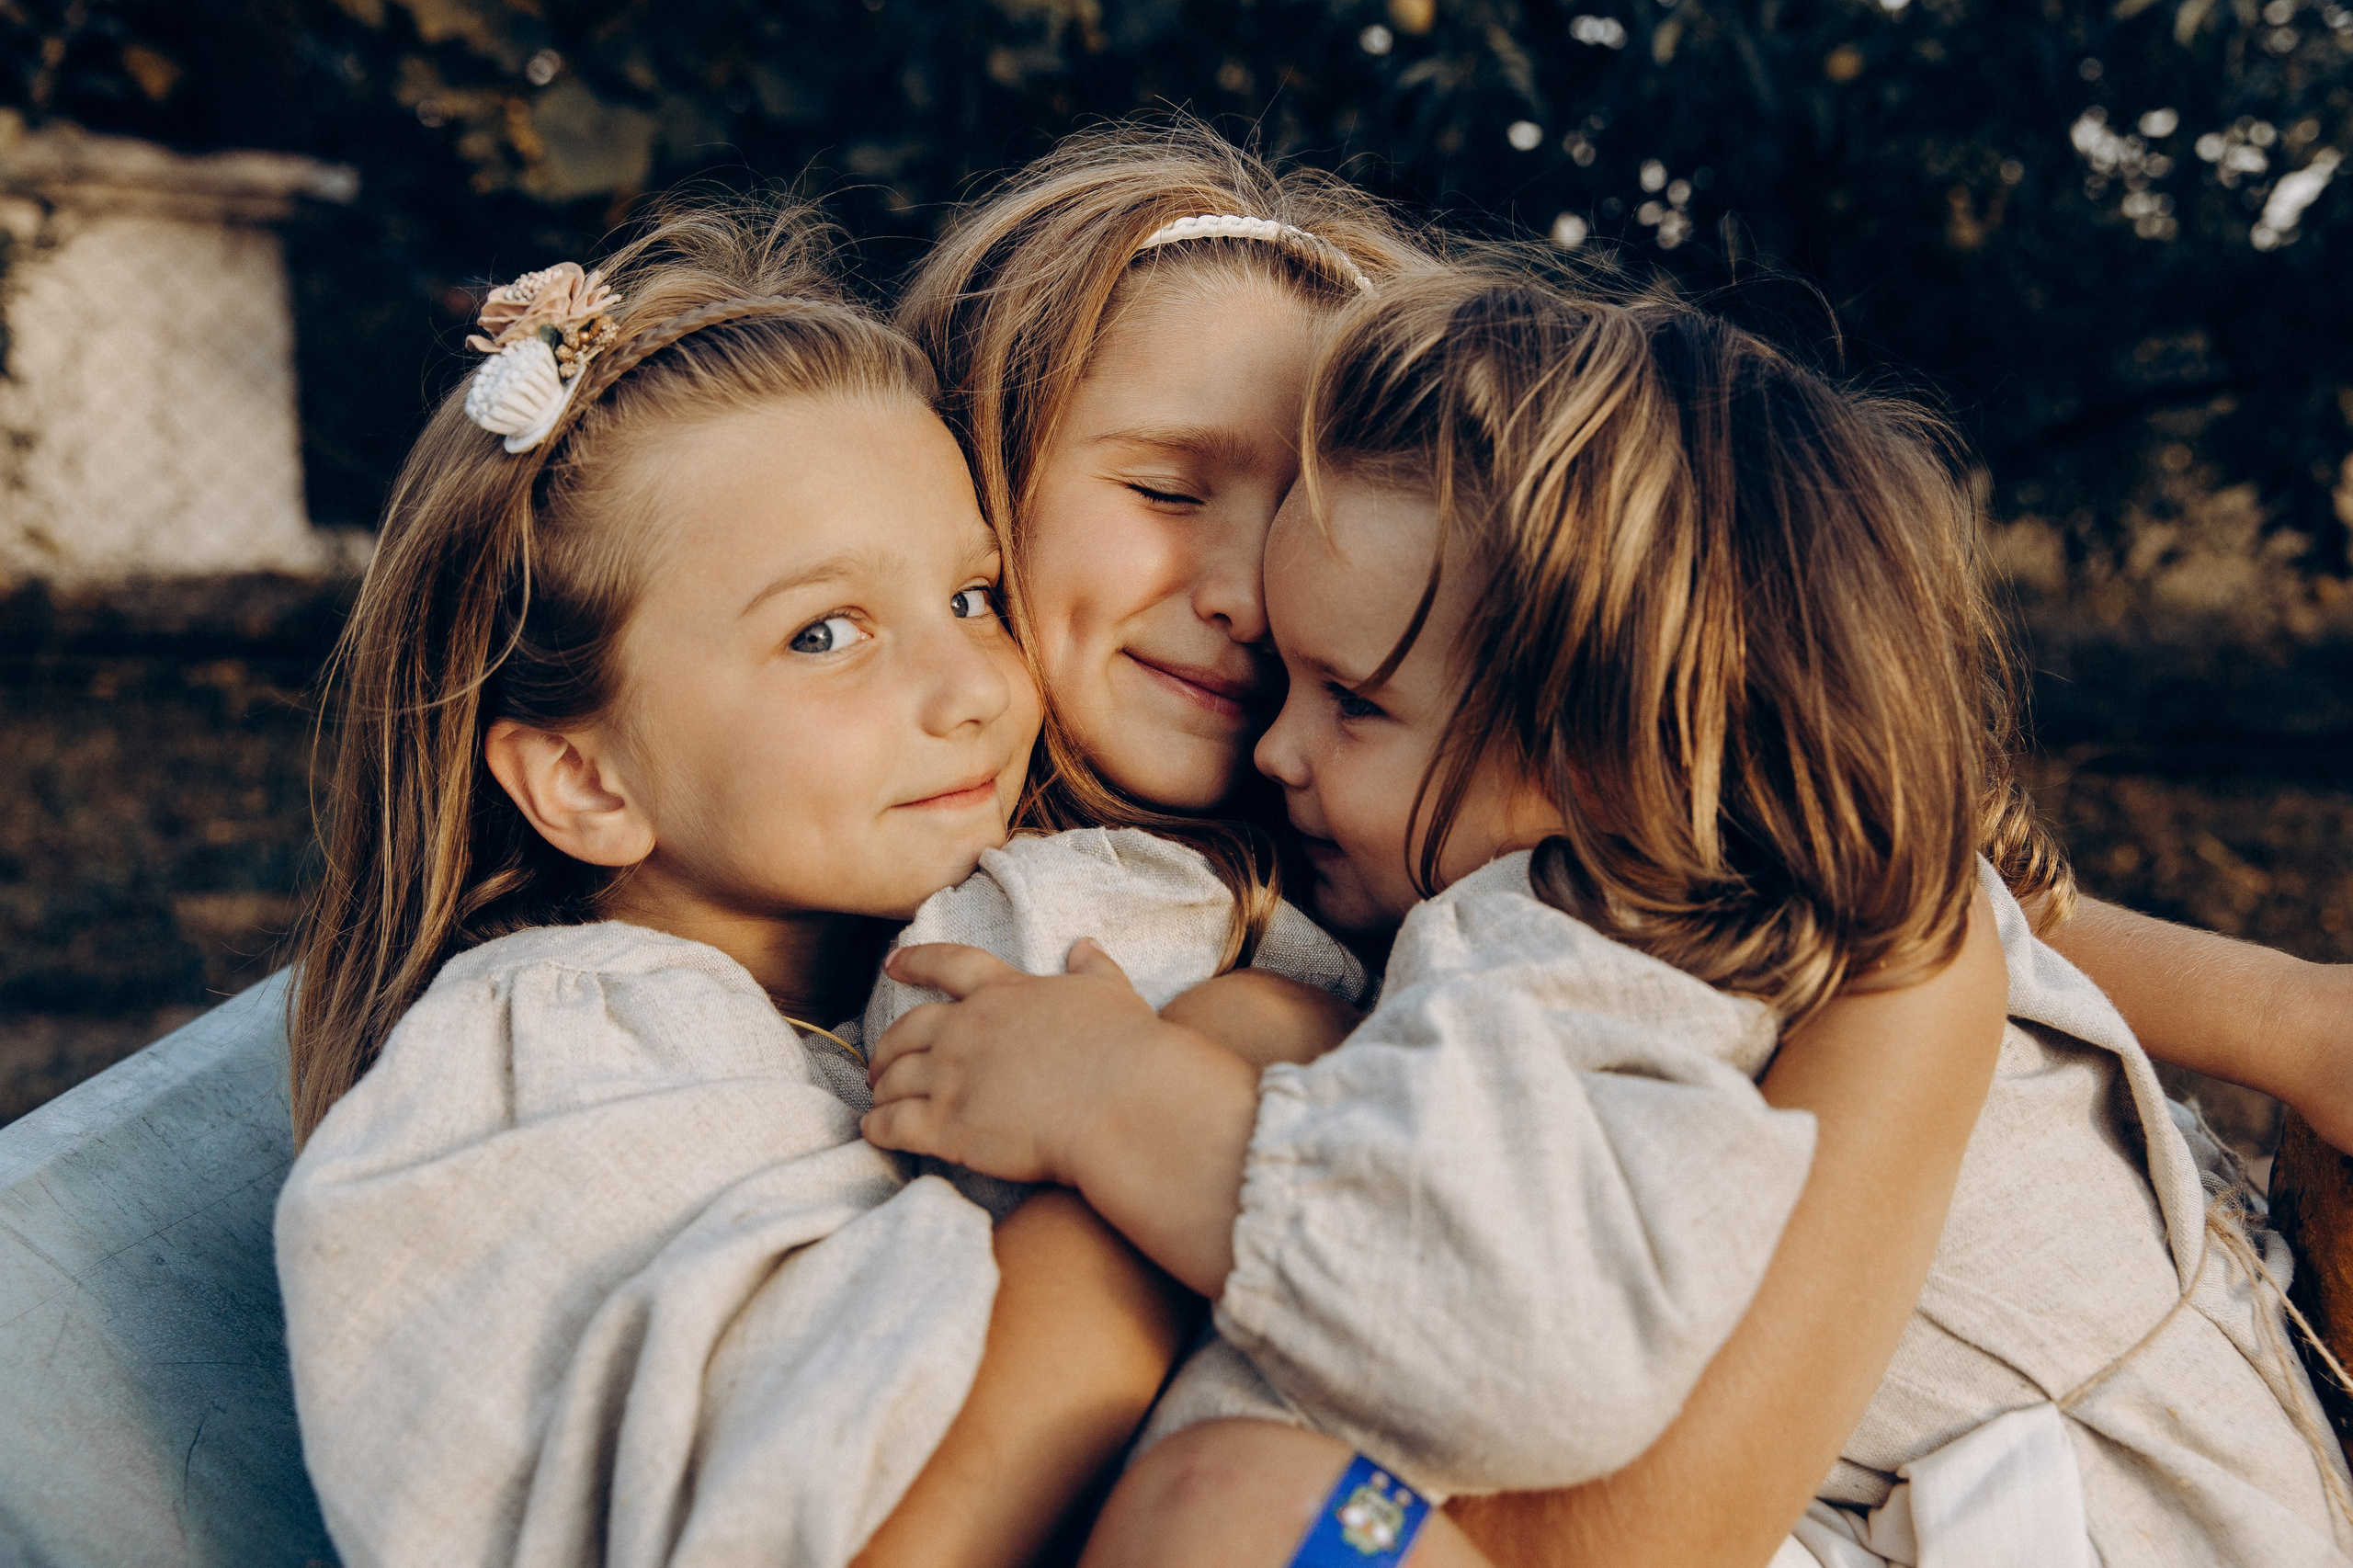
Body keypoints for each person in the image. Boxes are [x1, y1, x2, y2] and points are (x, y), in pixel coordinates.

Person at [861, 267, 2353, 1566]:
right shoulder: (1625, 860)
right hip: (2128, 1489)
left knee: (1246, 1510)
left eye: (1353, 702)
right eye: (1171, 489)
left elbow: (1529, 1350)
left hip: (2065, 1527)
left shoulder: (1597, 929)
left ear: (1597, 736)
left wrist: (1125, 1103)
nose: (1277, 740)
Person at [271, 201, 1210, 1568]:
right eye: (824, 634)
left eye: (970, 597)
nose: (971, 689)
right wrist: (1167, 1139)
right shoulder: (556, 1060)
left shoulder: (920, 952)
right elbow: (814, 1479)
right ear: (585, 780)